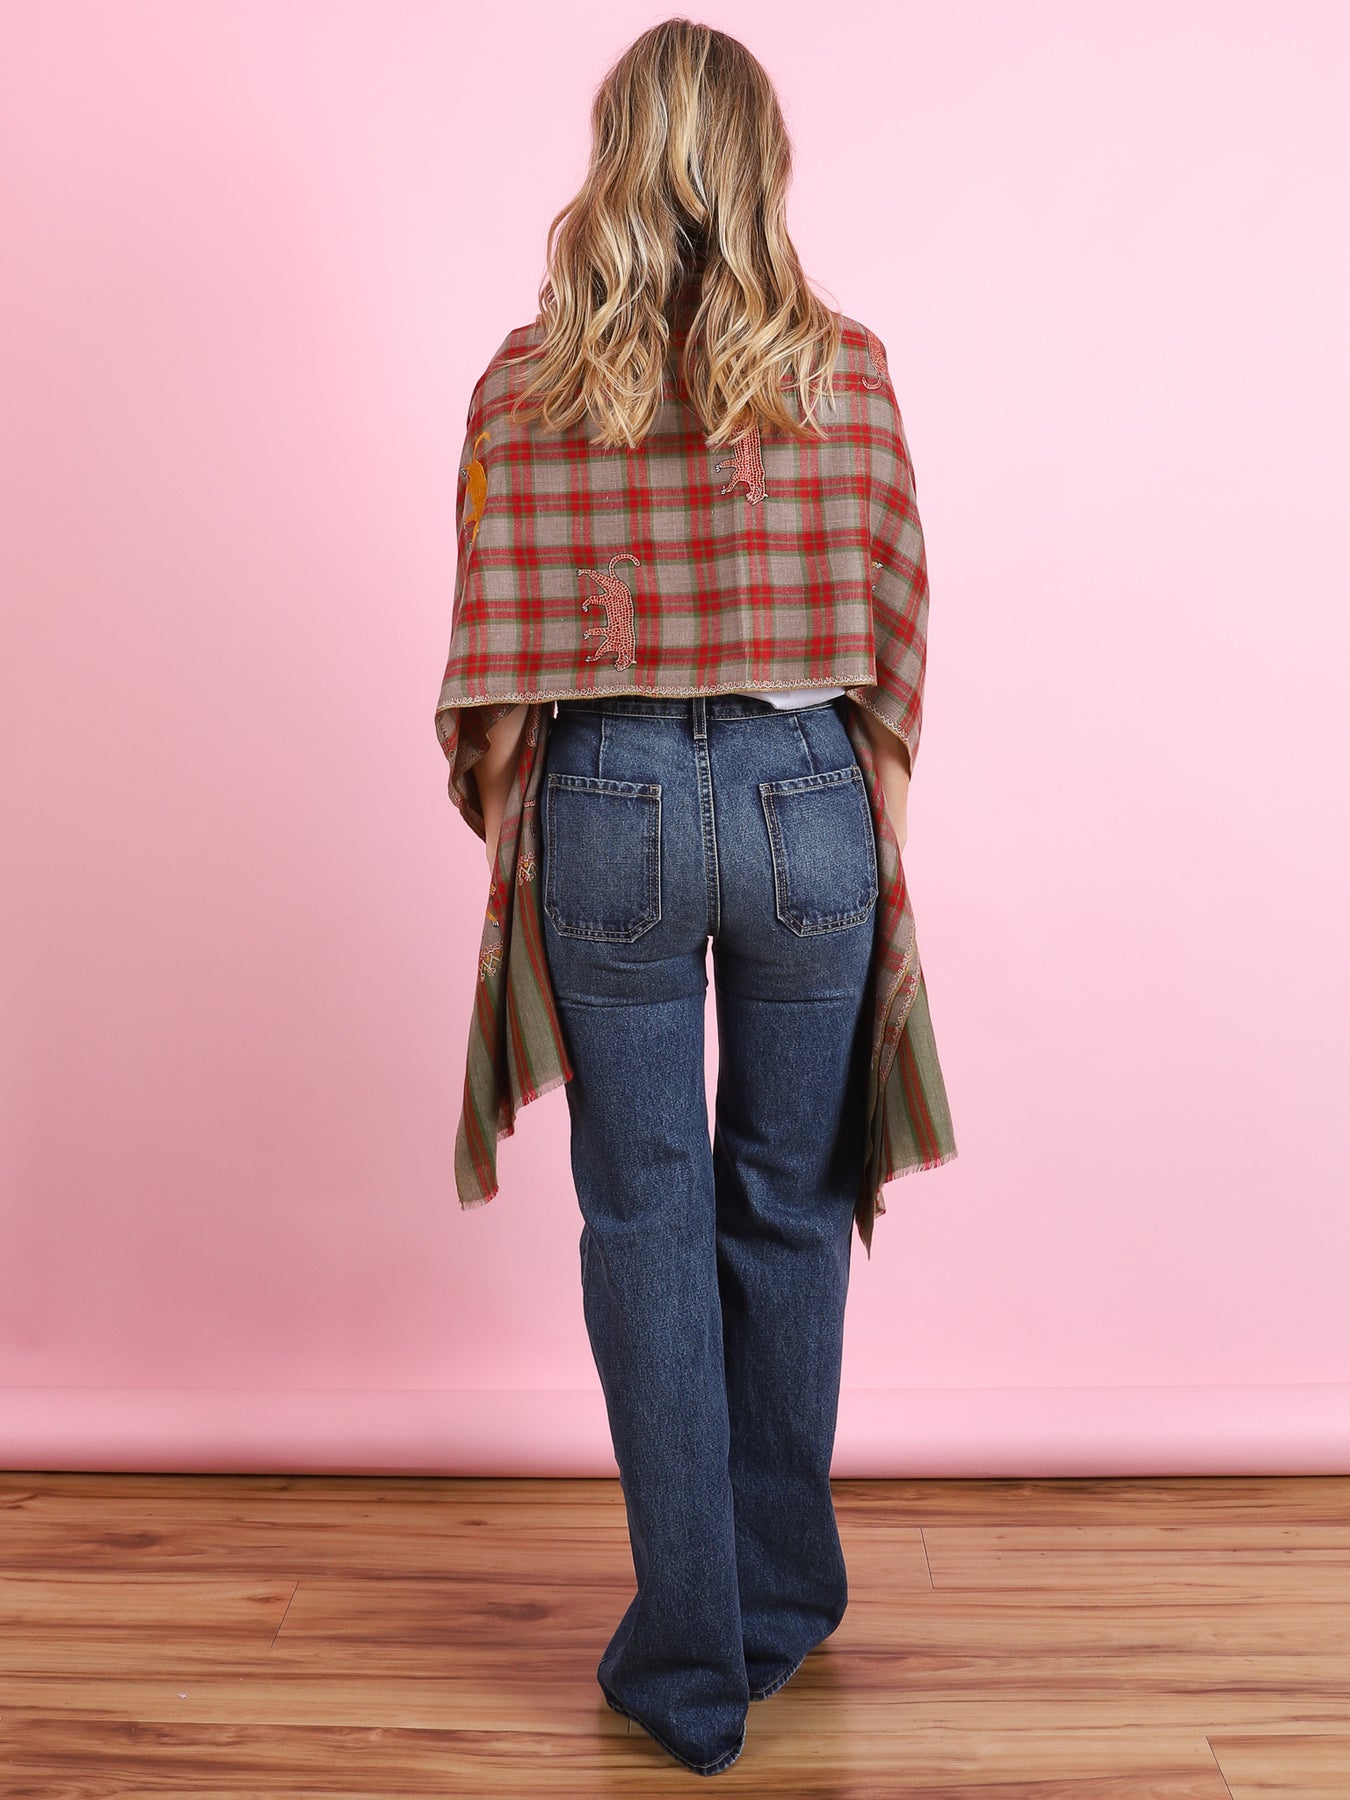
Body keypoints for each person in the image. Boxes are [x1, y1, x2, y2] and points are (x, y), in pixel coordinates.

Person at [434, 19, 957, 1778]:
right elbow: (892, 652)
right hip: (809, 801)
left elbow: (491, 681)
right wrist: (875, 862)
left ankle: (686, 1665)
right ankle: (774, 1608)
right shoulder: (847, 372)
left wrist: (529, 845)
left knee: (642, 1220)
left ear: (610, 163)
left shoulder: (524, 384)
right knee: (789, 1212)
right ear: (761, 166)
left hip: (610, 800)